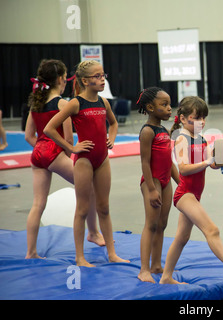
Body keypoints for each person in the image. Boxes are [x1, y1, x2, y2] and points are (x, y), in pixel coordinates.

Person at [159, 96, 223, 284]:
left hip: (195, 194)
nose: (202, 122)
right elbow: (184, 168)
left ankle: (166, 277)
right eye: (197, 118)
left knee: (181, 237)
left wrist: (219, 160)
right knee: (212, 230)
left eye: (204, 117)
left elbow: (211, 165)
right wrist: (206, 161)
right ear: (184, 119)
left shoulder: (200, 137)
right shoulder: (181, 139)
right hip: (185, 194)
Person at [44, 60, 129, 267]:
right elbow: (49, 129)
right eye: (98, 76)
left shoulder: (103, 102)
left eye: (103, 75)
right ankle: (79, 257)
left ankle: (112, 253)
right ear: (84, 80)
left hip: (102, 159)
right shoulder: (75, 103)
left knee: (104, 208)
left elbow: (114, 123)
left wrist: (112, 137)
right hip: (84, 161)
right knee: (82, 209)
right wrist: (71, 148)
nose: (102, 80)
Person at [24, 59, 104, 259]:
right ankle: (93, 232)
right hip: (54, 152)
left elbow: (29, 136)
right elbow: (68, 138)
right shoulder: (62, 103)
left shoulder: (36, 103)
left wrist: (42, 151)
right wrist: (67, 152)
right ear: (61, 79)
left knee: (38, 204)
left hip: (38, 154)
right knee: (90, 188)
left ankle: (31, 252)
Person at [136, 87, 179, 283]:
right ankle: (144, 269)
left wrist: (180, 182)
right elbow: (145, 162)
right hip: (152, 181)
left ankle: (156, 265)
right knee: (151, 224)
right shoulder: (147, 131)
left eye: (169, 104)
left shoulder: (162, 130)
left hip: (165, 181)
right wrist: (152, 190)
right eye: (164, 105)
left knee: (162, 224)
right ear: (150, 107)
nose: (169, 108)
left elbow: (168, 161)